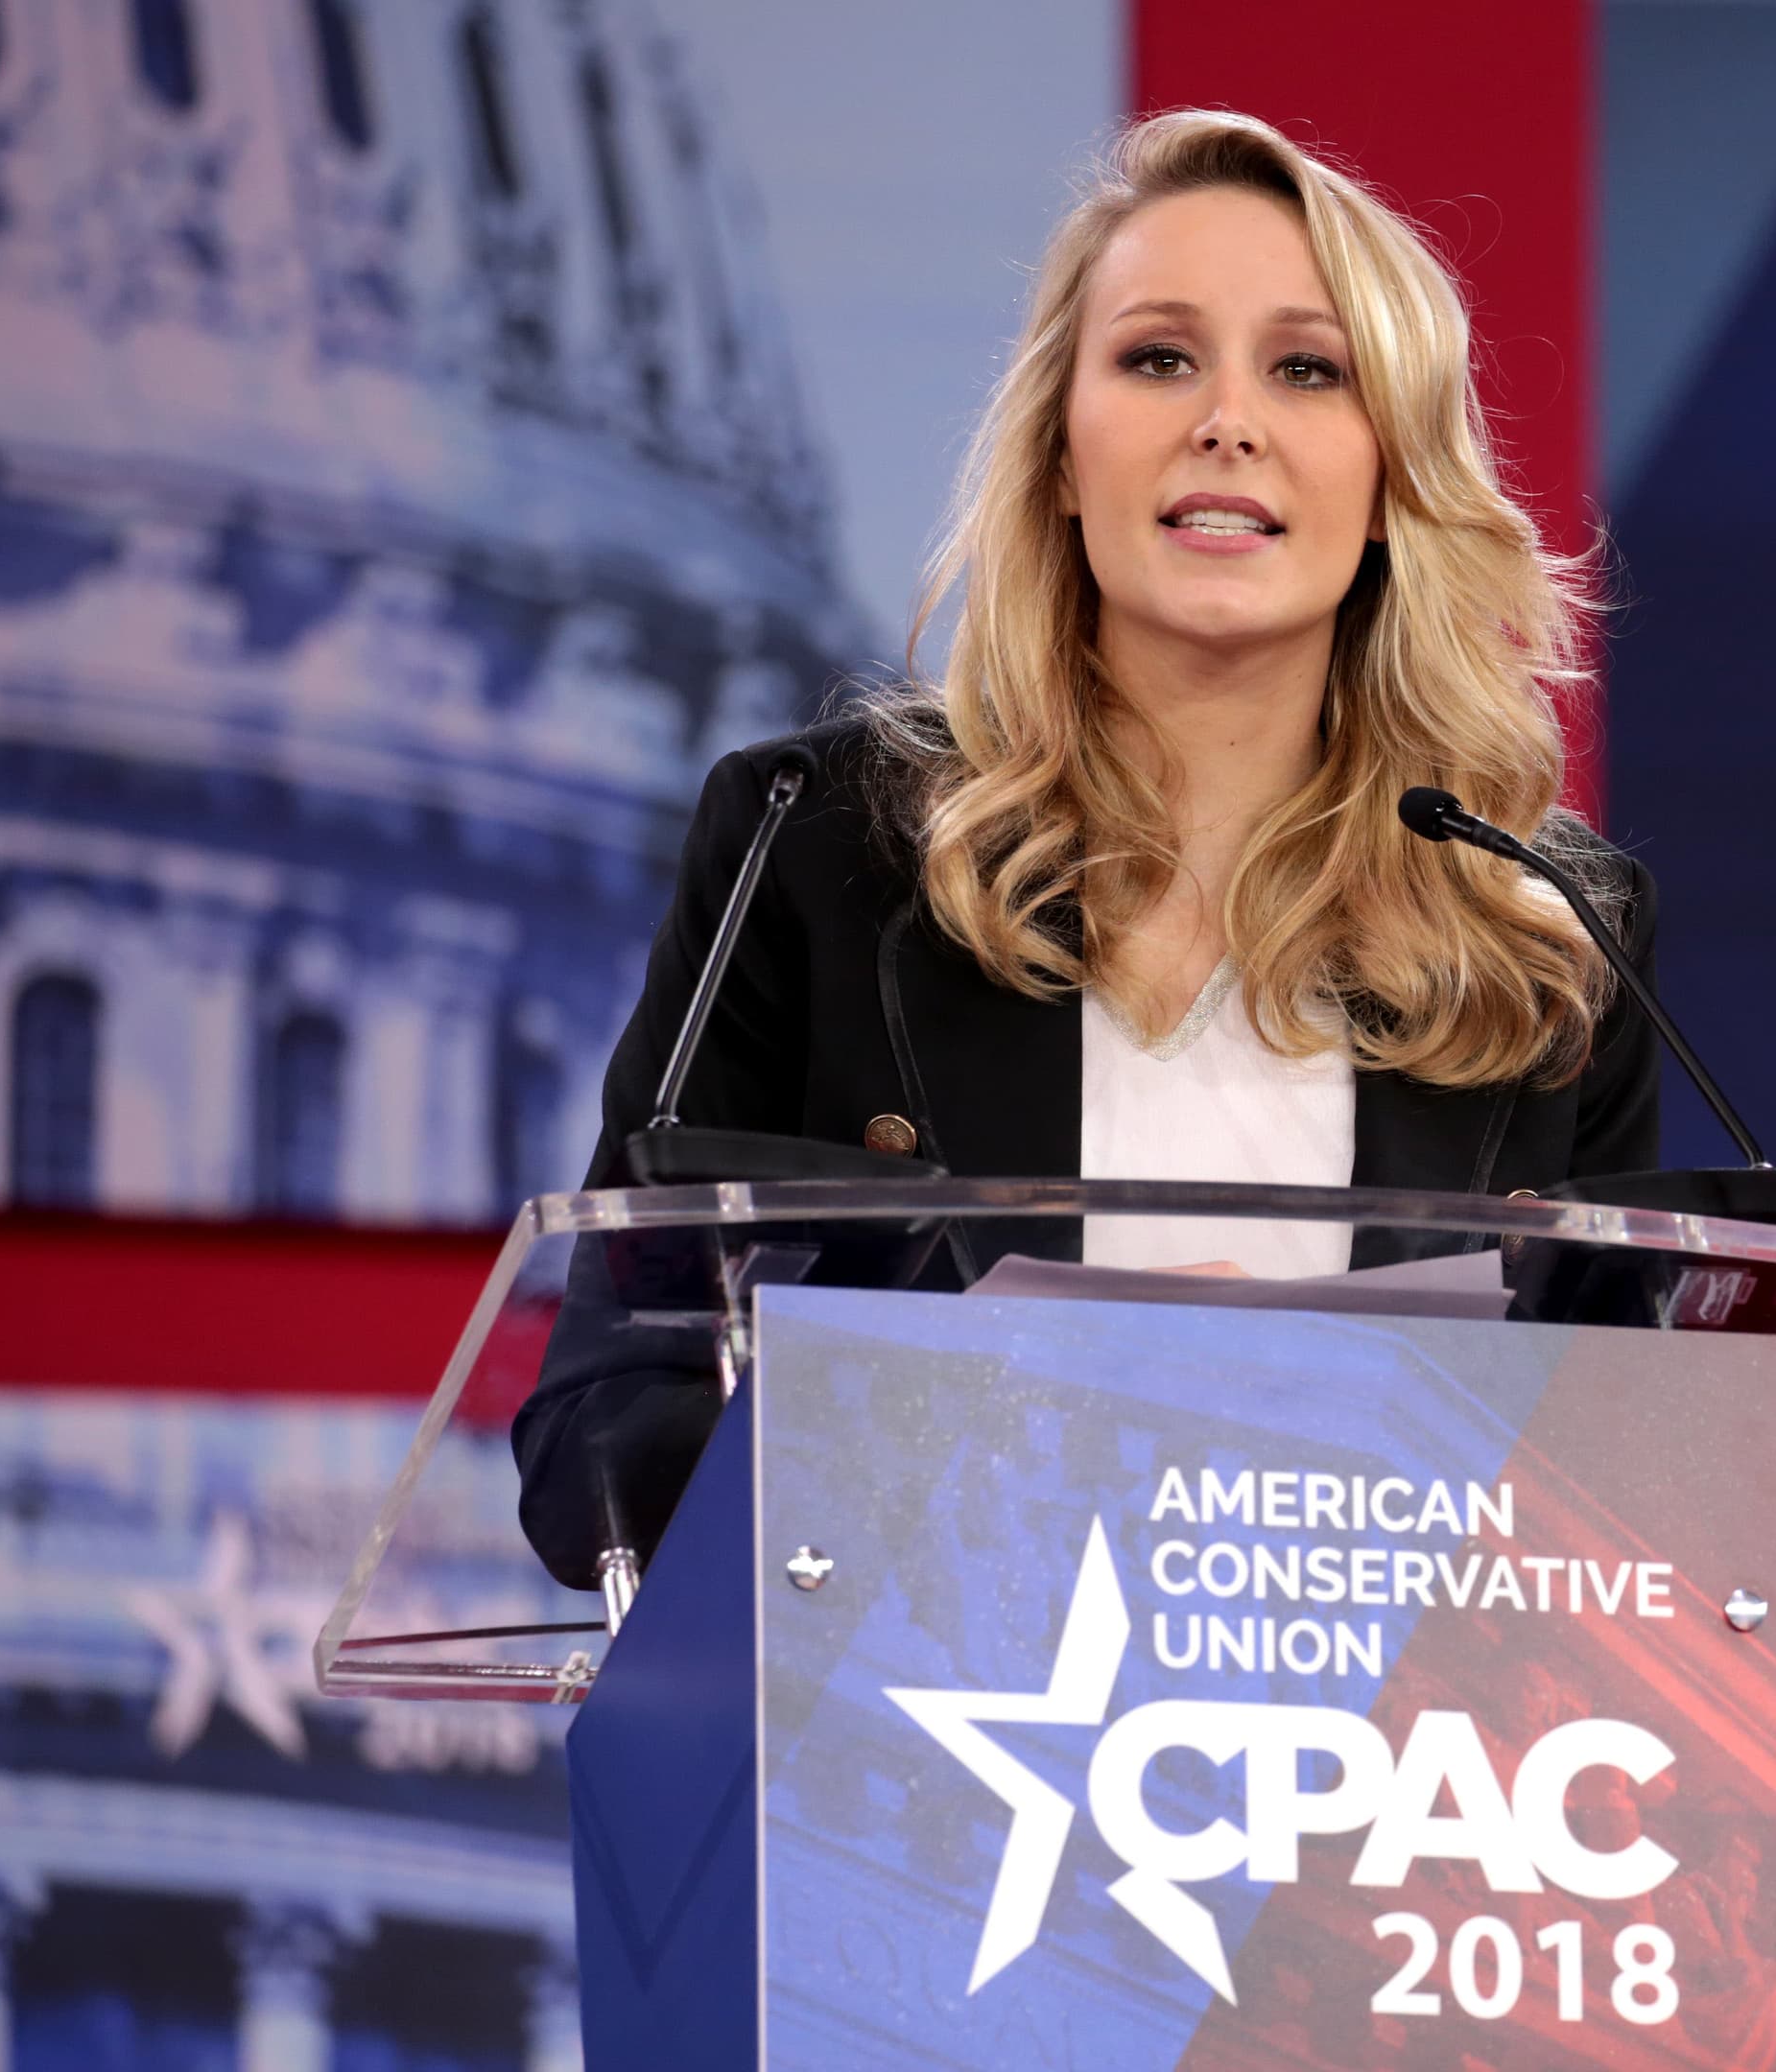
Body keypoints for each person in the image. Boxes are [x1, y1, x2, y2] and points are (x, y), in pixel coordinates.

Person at [509, 109, 1657, 1588]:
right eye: (1158, 358)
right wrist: (1028, 1408)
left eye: (1308, 369)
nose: (1226, 419)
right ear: (1060, 453)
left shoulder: (1547, 932)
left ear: (1393, 479)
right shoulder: (816, 854)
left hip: (1385, 1793)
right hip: (904, 1775)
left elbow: (1633, 1521)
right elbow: (596, 1444)